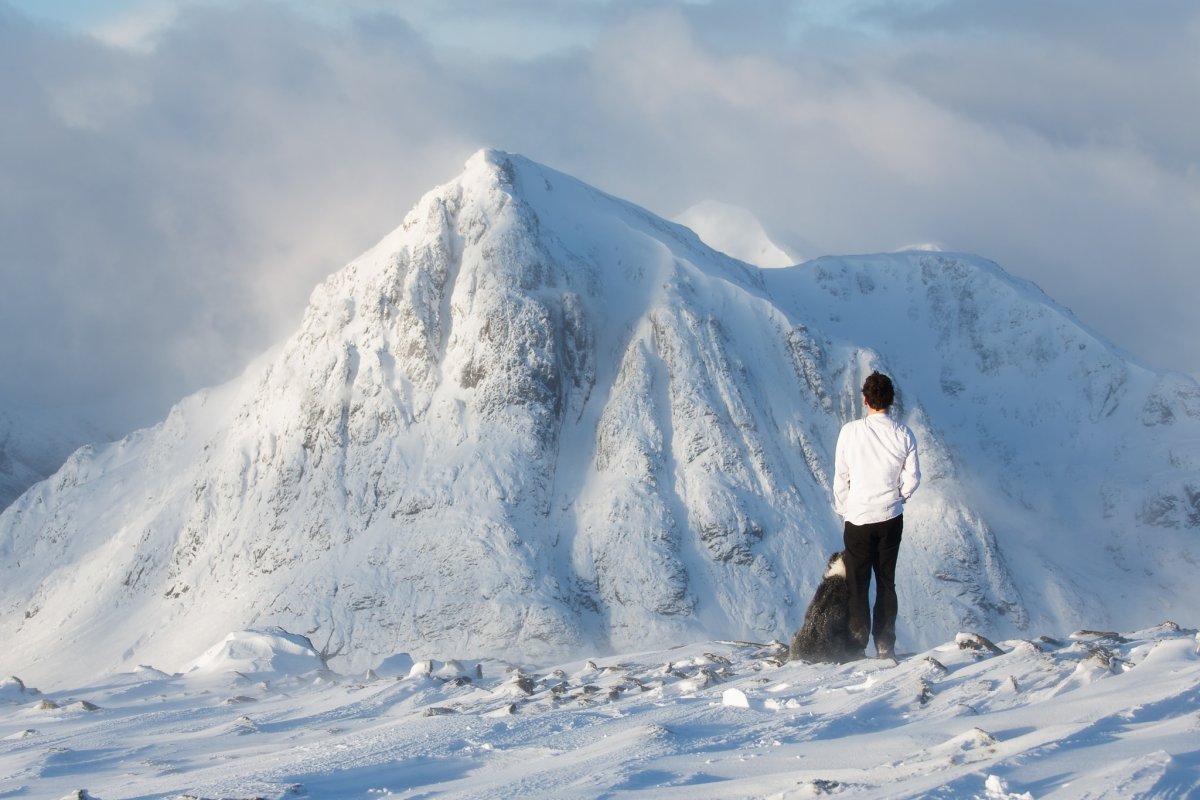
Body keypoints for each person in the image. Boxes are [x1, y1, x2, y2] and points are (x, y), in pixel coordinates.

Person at [832, 371, 920, 660]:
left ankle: (856, 644)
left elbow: (841, 476)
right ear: (891, 401)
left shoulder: (850, 431)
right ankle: (885, 643)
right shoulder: (903, 434)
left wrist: (846, 508)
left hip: (857, 517)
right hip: (890, 518)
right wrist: (899, 497)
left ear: (865, 399)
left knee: (857, 583)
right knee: (886, 581)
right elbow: (913, 477)